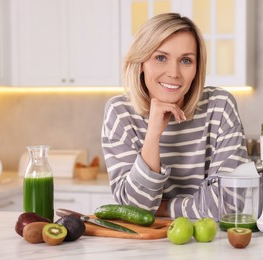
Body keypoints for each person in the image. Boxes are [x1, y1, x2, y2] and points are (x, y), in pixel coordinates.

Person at [101, 13, 250, 219]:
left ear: (197, 68)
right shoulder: (120, 113)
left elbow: (226, 205)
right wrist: (153, 134)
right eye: (161, 58)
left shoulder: (220, 106)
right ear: (141, 62)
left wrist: (162, 208)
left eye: (186, 60)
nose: (174, 73)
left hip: (209, 245)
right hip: (144, 248)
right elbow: (135, 210)